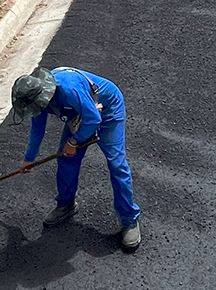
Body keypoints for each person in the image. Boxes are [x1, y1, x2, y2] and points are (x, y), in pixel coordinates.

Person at [11, 66, 141, 252]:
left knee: (116, 164)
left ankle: (129, 221)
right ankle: (66, 205)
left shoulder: (68, 90)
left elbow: (94, 119)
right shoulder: (37, 101)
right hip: (80, 115)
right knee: (66, 160)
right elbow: (37, 129)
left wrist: (73, 141)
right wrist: (28, 158)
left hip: (108, 110)